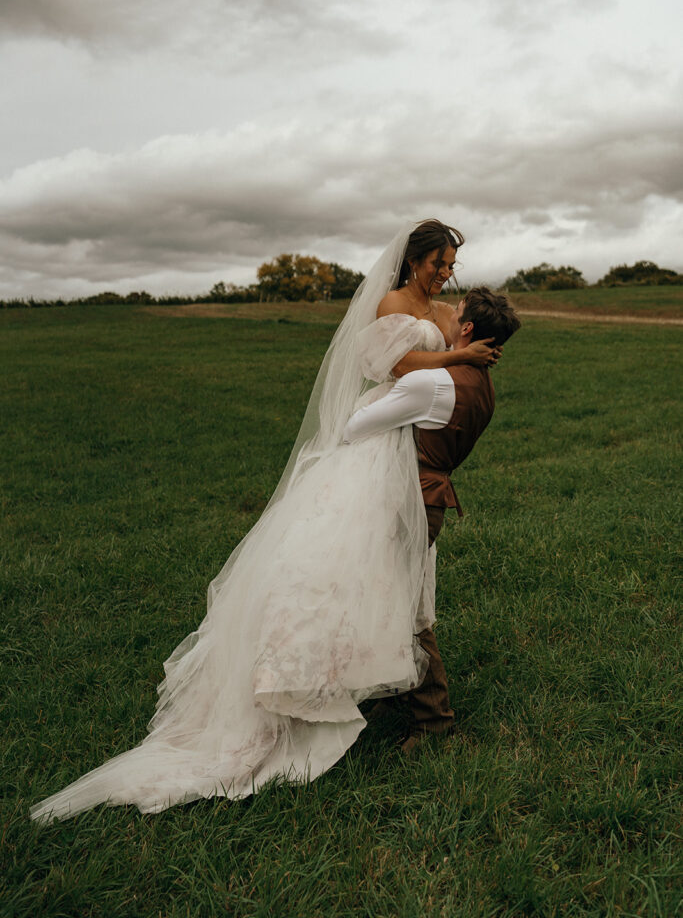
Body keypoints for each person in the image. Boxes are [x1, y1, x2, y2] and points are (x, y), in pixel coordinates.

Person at [30, 220, 499, 823]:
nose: (445, 273)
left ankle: (381, 683)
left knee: (379, 576)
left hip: (405, 447)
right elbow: (393, 362)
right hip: (378, 435)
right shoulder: (393, 302)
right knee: (338, 568)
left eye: (451, 265)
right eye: (438, 262)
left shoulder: (439, 309)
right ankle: (346, 691)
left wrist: (461, 351)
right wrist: (455, 352)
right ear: (413, 260)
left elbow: (443, 368)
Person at [344, 287, 521, 751]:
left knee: (404, 607)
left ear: (466, 329)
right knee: (399, 596)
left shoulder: (433, 383)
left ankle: (433, 717)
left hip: (409, 500)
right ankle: (395, 691)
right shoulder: (481, 384)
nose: (447, 313)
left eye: (456, 311)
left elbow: (355, 425)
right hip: (430, 499)